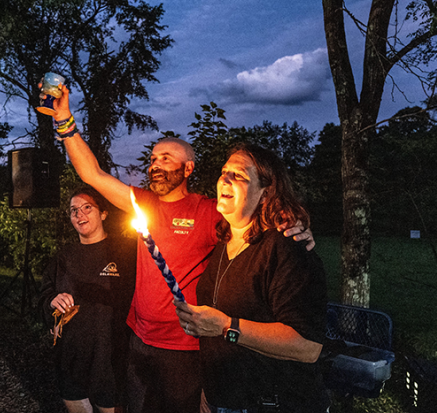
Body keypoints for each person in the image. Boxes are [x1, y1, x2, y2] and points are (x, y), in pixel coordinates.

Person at [47, 84, 316, 413]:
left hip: (185, 347)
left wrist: (293, 223)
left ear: (188, 168)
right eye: (152, 159)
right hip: (138, 337)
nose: (155, 164)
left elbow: (256, 213)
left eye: (166, 158)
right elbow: (91, 173)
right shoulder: (141, 204)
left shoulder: (208, 211)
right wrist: (64, 120)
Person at [174, 143, 330, 413]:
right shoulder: (222, 244)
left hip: (274, 403)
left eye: (239, 176)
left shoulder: (286, 247)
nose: (225, 178)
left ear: (266, 192)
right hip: (219, 401)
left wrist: (226, 326)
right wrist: (209, 393)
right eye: (224, 172)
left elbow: (308, 346)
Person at [39, 186, 136, 413]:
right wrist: (52, 302)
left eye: (87, 208)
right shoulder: (64, 257)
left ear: (103, 213)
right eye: (74, 210)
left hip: (110, 358)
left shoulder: (125, 252)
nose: (79, 215)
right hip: (71, 357)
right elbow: (44, 296)